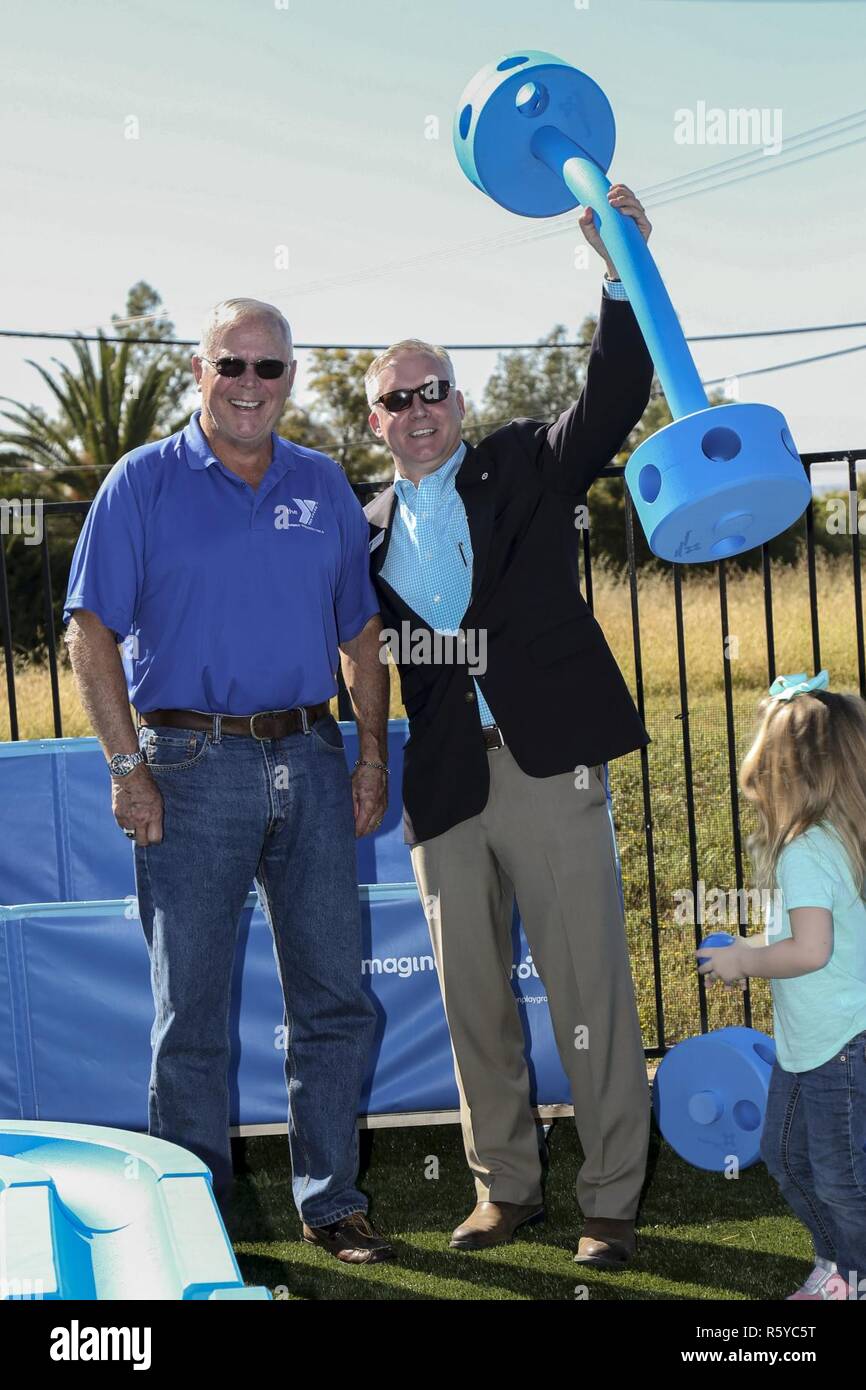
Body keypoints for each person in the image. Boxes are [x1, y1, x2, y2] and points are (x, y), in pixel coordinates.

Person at [63, 298, 393, 1265]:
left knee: (334, 998)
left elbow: (361, 634)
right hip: (187, 769)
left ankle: (332, 1202)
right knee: (191, 1018)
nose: (251, 386)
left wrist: (370, 754)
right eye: (232, 366)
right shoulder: (142, 483)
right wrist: (128, 770)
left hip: (313, 758)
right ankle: (189, 1228)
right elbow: (89, 632)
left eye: (271, 368)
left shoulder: (324, 483)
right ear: (198, 373)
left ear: (292, 378)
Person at [363, 187, 655, 1266]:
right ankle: (504, 1188)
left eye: (432, 389)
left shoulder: (527, 461)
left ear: (457, 396)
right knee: (472, 1001)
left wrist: (618, 271)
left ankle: (612, 1198)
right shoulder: (359, 531)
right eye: (397, 398)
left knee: (589, 991)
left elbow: (614, 393)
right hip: (444, 792)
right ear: (375, 421)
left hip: (546, 771)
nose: (419, 408)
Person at [699, 670, 866, 1301]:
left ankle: (855, 1274)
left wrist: (746, 960)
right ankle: (839, 1265)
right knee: (787, 1156)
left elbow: (811, 950)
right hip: (815, 1045)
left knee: (840, 1178)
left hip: (839, 1046)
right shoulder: (839, 840)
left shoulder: (807, 851)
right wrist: (751, 950)